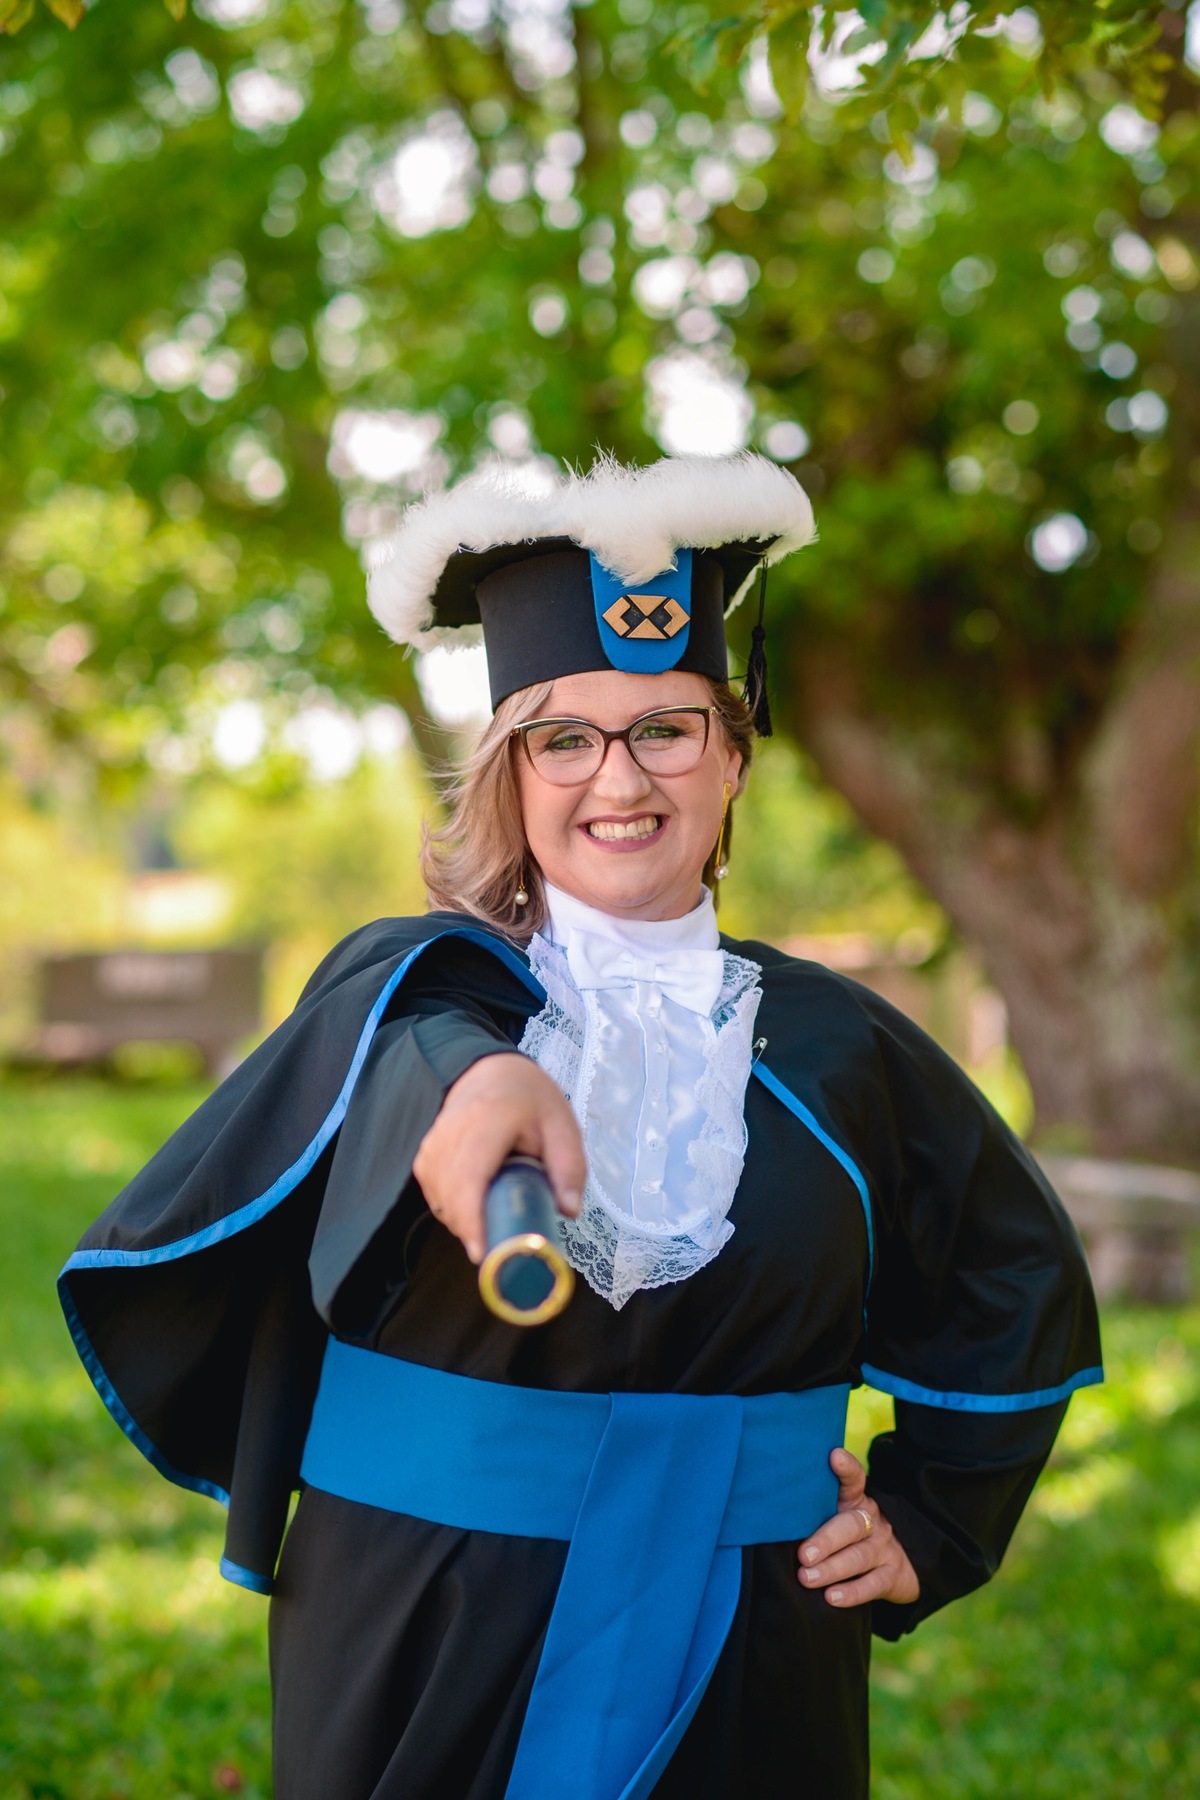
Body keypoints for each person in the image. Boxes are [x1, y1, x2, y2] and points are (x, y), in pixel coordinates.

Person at [59, 452, 1102, 1800]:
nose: (620, 777)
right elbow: (419, 1046)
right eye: (564, 739)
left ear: (734, 759)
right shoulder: (417, 993)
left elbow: (1011, 1268)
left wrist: (933, 1518)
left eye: (667, 728)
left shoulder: (841, 1045)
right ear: (510, 771)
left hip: (754, 1626)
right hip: (424, 1614)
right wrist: (478, 1088)